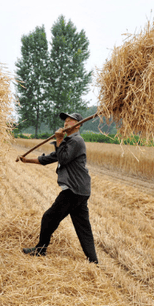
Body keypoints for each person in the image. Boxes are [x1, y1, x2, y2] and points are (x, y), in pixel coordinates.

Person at [17, 112, 98, 264]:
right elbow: (50, 158)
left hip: (73, 190)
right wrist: (27, 160)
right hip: (80, 190)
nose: (66, 123)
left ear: (78, 125)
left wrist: (59, 139)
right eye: (65, 121)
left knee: (49, 217)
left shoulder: (76, 141)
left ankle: (41, 249)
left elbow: (63, 158)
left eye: (70, 121)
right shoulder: (69, 142)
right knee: (83, 226)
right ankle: (93, 261)